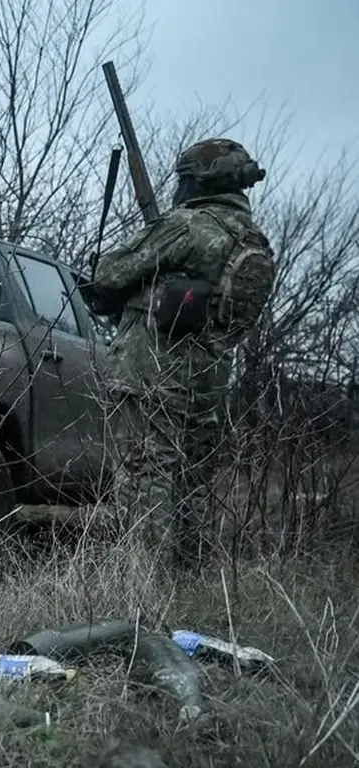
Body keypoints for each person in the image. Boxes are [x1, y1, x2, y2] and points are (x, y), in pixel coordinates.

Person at [90, 138, 275, 569]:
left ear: (199, 182)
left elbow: (109, 273)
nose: (177, 188)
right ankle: (188, 580)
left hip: (153, 370)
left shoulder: (188, 226)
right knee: (192, 480)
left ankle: (145, 584)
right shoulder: (252, 241)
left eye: (183, 179)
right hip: (209, 377)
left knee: (145, 472)